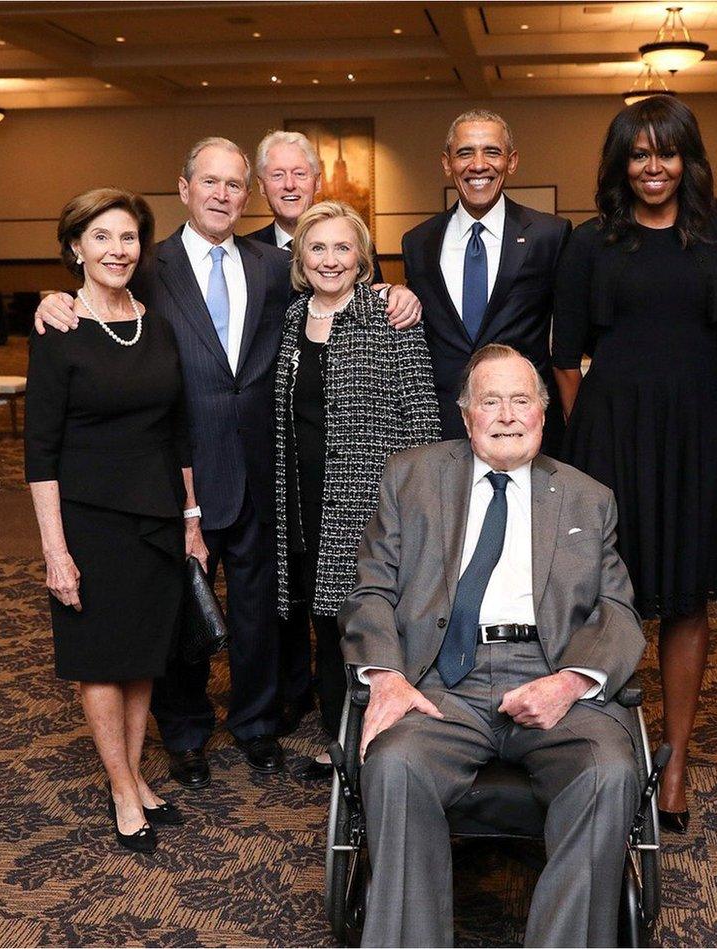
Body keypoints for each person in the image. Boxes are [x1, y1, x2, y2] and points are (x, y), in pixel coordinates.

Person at [33, 137, 422, 784]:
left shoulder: (273, 264)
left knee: (256, 610)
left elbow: (333, 296)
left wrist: (394, 293)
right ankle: (185, 732)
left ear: (250, 195)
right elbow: (97, 292)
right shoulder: (145, 265)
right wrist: (56, 297)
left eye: (233, 184)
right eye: (208, 182)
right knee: (178, 608)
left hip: (263, 471)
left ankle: (256, 723)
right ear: (183, 188)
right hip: (172, 472)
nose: (221, 194)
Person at [340, 344, 646, 947]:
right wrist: (387, 677)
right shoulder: (411, 477)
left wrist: (573, 682)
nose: (506, 415)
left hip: (550, 674)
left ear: (542, 412)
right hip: (440, 681)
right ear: (466, 414)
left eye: (521, 400)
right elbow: (370, 589)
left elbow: (618, 610)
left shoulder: (588, 496)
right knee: (396, 765)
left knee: (610, 771)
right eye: (490, 401)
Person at [552, 97, 717, 833]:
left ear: (688, 160)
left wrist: (697, 412)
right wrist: (593, 431)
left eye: (667, 153)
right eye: (638, 153)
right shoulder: (591, 241)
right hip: (607, 436)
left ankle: (676, 758)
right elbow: (564, 354)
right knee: (607, 597)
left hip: (697, 434)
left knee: (688, 599)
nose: (653, 167)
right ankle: (606, 751)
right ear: (620, 163)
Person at [25, 188, 208, 853]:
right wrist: (54, 550)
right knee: (101, 660)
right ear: (75, 246)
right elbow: (39, 449)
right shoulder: (59, 326)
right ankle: (123, 787)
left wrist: (190, 517)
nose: (116, 250)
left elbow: (177, 431)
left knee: (141, 656)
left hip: (156, 513)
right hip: (89, 519)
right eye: (100, 237)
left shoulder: (153, 323)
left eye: (127, 237)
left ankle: (132, 774)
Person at [274, 200, 439, 772]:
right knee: (322, 622)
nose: (330, 259)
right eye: (317, 247)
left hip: (370, 504)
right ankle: (337, 740)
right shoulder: (291, 319)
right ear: (300, 257)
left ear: (362, 256)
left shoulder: (387, 314)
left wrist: (421, 510)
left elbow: (422, 417)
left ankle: (384, 739)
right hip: (302, 499)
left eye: (343, 247)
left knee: (368, 622)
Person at [402, 110, 571, 453]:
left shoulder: (549, 235)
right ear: (447, 163)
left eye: (492, 152)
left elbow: (568, 333)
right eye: (465, 153)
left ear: (511, 162)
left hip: (521, 424)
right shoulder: (418, 242)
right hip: (442, 424)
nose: (478, 165)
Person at [246, 129, 384, 282]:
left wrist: (393, 291)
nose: (289, 184)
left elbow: (376, 298)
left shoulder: (357, 245)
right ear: (262, 186)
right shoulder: (246, 252)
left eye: (299, 174)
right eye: (278, 175)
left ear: (317, 183)